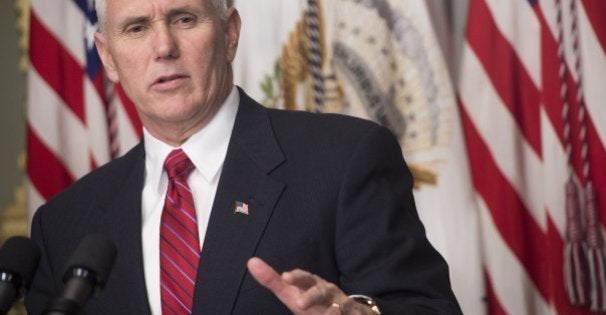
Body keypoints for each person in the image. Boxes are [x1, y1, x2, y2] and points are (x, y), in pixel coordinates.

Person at [26, 0, 461, 314]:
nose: (163, 47)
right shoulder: (64, 224)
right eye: (136, 28)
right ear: (108, 57)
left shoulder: (345, 159)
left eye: (184, 18)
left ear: (230, 32)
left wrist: (358, 314)